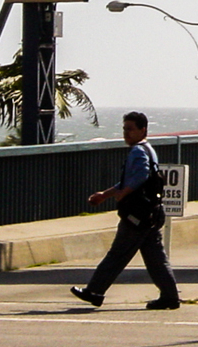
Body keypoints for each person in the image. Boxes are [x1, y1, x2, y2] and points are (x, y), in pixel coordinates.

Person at [70, 111, 180, 310]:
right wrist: (106, 194)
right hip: (151, 213)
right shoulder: (148, 149)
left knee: (118, 253)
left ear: (142, 130)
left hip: (137, 215)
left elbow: (140, 176)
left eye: (130, 129)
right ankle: (170, 296)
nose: (126, 133)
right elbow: (128, 180)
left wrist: (124, 193)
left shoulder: (138, 151)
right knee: (156, 257)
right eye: (124, 129)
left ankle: (94, 291)